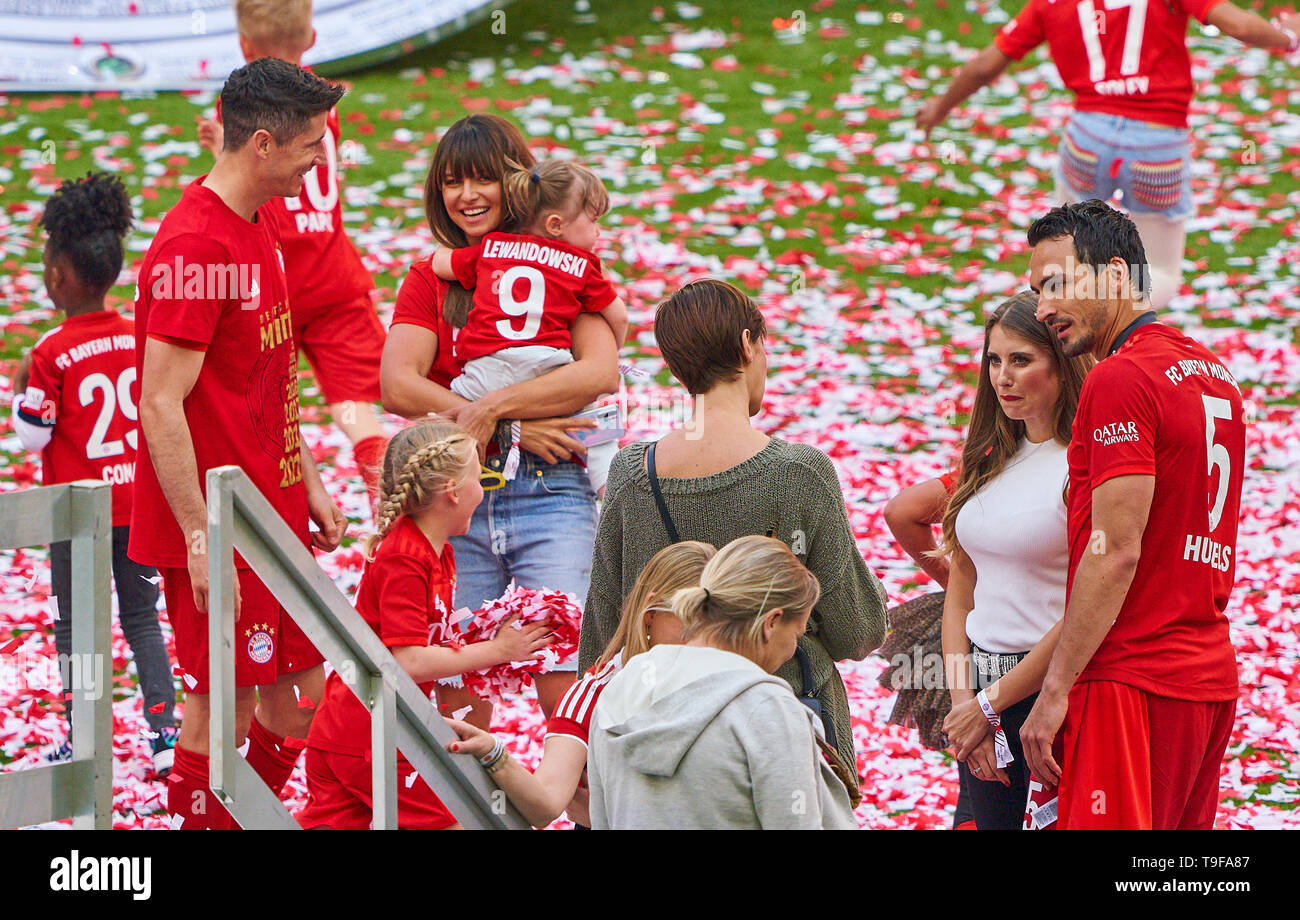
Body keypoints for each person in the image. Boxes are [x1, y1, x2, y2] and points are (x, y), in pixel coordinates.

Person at [131, 58, 348, 830]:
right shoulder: (197, 249)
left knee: (299, 703)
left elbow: (266, 369)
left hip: (270, 508)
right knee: (217, 707)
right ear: (263, 143)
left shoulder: (258, 221)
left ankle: (234, 820)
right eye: (310, 148)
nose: (321, 162)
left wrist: (309, 476)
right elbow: (159, 401)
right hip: (218, 527)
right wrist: (198, 533)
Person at [577, 278, 887, 764]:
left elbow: (603, 631)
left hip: (660, 741)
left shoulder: (630, 473)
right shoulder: (799, 473)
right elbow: (858, 630)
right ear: (747, 344)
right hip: (779, 730)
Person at [380, 113, 620, 727]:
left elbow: (599, 373)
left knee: (564, 687)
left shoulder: (559, 264)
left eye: (484, 179)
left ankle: (582, 810)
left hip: (550, 491)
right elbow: (396, 384)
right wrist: (511, 429)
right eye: (452, 182)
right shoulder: (435, 276)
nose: (466, 196)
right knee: (456, 693)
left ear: (521, 181)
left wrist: (491, 410)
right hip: (455, 501)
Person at [1020, 200, 1245, 830]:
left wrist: (1055, 688)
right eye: (1036, 292)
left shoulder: (1120, 377)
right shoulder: (1214, 375)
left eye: (1056, 285)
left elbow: (1116, 548)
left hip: (1130, 680)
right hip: (1203, 679)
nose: (1041, 309)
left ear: (1116, 276)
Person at [917, 0, 1300, 310]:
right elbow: (1242, 26)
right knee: (1158, 270)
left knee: (1067, 254)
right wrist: (1288, 38)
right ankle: (1115, 326)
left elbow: (987, 64)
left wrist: (939, 107)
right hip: (1157, 145)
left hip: (1087, 139)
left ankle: (1063, 324)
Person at [297, 421, 554, 829]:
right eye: (480, 477)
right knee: (463, 820)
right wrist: (499, 650)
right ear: (453, 491)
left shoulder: (437, 551)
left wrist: (488, 637)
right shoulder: (405, 555)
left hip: (361, 728)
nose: (484, 488)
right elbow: (410, 660)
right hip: (368, 734)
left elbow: (429, 642)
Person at [10, 173, 179, 775]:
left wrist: (17, 393)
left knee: (76, 625)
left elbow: (33, 435)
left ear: (58, 275)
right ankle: (165, 735)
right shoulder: (136, 333)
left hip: (78, 514)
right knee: (141, 618)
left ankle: (84, 739)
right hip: (136, 506)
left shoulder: (51, 352)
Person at [197, 0, 389, 512]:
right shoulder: (321, 99)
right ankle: (373, 460)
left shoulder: (245, 104)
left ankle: (282, 496)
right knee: (352, 401)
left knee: (270, 400)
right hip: (332, 272)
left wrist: (220, 144)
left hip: (274, 277)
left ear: (243, 46)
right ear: (312, 38)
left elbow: (242, 168)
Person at [932, 291, 1092, 830]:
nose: (1002, 376)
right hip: (977, 684)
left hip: (1048, 690)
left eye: (1021, 360)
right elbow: (962, 588)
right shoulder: (990, 455)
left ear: (1062, 362)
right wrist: (965, 705)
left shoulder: (1084, 466)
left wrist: (989, 706)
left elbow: (1086, 604)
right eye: (994, 360)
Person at [587, 535, 858, 830]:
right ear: (771, 622)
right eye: (796, 634)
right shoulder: (769, 710)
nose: (792, 648)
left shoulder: (620, 690)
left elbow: (601, 820)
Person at [442, 540, 715, 828]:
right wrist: (495, 754)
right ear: (650, 616)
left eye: (723, 625)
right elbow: (545, 804)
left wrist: (607, 814)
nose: (707, 641)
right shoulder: (595, 694)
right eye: (692, 624)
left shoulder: (738, 682)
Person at [431, 158, 629, 491]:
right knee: (600, 419)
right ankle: (609, 493)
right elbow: (619, 316)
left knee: (445, 418)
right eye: (593, 220)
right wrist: (616, 342)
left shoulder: (492, 247)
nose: (597, 231)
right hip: (543, 369)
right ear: (555, 225)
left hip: (483, 373)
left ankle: (456, 483)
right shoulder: (582, 265)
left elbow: (441, 263)